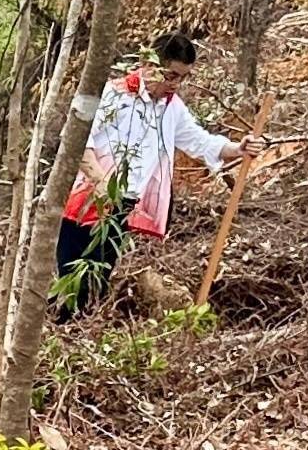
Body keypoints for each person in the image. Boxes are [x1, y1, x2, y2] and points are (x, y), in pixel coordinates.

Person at [58, 30, 234, 313]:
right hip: (87, 200)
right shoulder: (113, 94)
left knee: (99, 279)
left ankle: (83, 331)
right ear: (150, 65)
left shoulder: (171, 108)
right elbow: (79, 143)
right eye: (171, 75)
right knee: (71, 281)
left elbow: (200, 141)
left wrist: (237, 149)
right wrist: (102, 183)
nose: (175, 85)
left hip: (122, 206)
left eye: (182, 78)